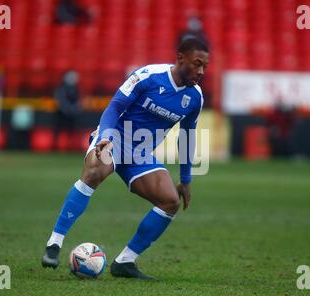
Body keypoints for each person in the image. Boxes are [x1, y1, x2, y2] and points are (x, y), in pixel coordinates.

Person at [42, 37, 209, 280]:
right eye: (197, 64)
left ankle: (125, 262)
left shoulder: (195, 98)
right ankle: (54, 243)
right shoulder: (148, 76)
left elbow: (187, 136)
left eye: (205, 66)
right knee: (94, 172)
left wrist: (185, 178)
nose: (201, 71)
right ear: (180, 58)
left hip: (140, 154)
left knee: (170, 201)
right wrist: (106, 137)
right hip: (114, 139)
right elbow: (115, 106)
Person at [54, 71, 81, 149]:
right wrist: (67, 109)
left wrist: (74, 109)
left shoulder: (76, 89)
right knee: (59, 130)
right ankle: (56, 146)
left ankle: (71, 146)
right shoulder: (61, 88)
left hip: (72, 114)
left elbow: (77, 101)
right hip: (62, 113)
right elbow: (60, 100)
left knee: (72, 131)